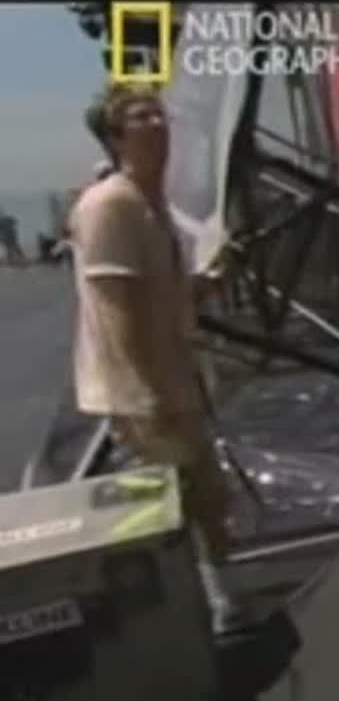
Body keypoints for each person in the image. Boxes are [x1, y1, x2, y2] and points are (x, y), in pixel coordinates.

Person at [69, 83, 251, 637]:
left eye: (159, 114)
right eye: (141, 117)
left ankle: (221, 604)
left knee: (205, 497)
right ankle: (182, 620)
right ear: (116, 137)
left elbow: (159, 295)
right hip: (145, 390)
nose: (158, 124)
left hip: (173, 378)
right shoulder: (111, 206)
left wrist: (205, 285)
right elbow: (115, 312)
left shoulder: (150, 203)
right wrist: (146, 394)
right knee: (168, 512)